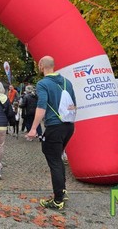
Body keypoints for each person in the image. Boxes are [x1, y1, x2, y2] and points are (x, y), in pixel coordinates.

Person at [26, 56, 76, 210]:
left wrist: (34, 128)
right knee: (58, 158)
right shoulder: (67, 82)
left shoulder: (43, 84)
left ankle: (57, 200)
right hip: (68, 126)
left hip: (54, 126)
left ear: (41, 66)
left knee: (54, 161)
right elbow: (73, 105)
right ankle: (62, 191)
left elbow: (41, 106)